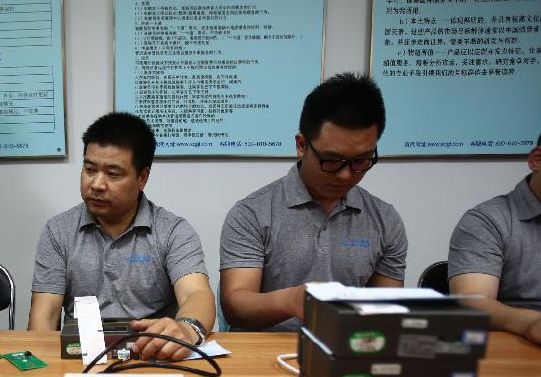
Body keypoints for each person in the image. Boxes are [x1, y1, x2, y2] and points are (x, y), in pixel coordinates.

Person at [220, 73, 406, 331]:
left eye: (361, 161)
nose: (345, 174)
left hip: (346, 352)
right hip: (266, 353)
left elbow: (389, 309)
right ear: (301, 145)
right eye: (332, 160)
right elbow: (235, 306)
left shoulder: (384, 219)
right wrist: (292, 300)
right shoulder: (253, 213)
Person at [27, 112, 215, 360]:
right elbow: (45, 314)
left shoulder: (172, 231)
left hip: (151, 355)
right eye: (89, 169)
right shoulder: (59, 230)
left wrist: (187, 329)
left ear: (142, 178)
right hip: (81, 356)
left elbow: (196, 294)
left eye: (113, 174)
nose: (97, 184)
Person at [448, 135, 541, 345]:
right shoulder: (488, 220)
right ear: (537, 159)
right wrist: (531, 323)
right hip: (514, 344)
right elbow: (471, 302)